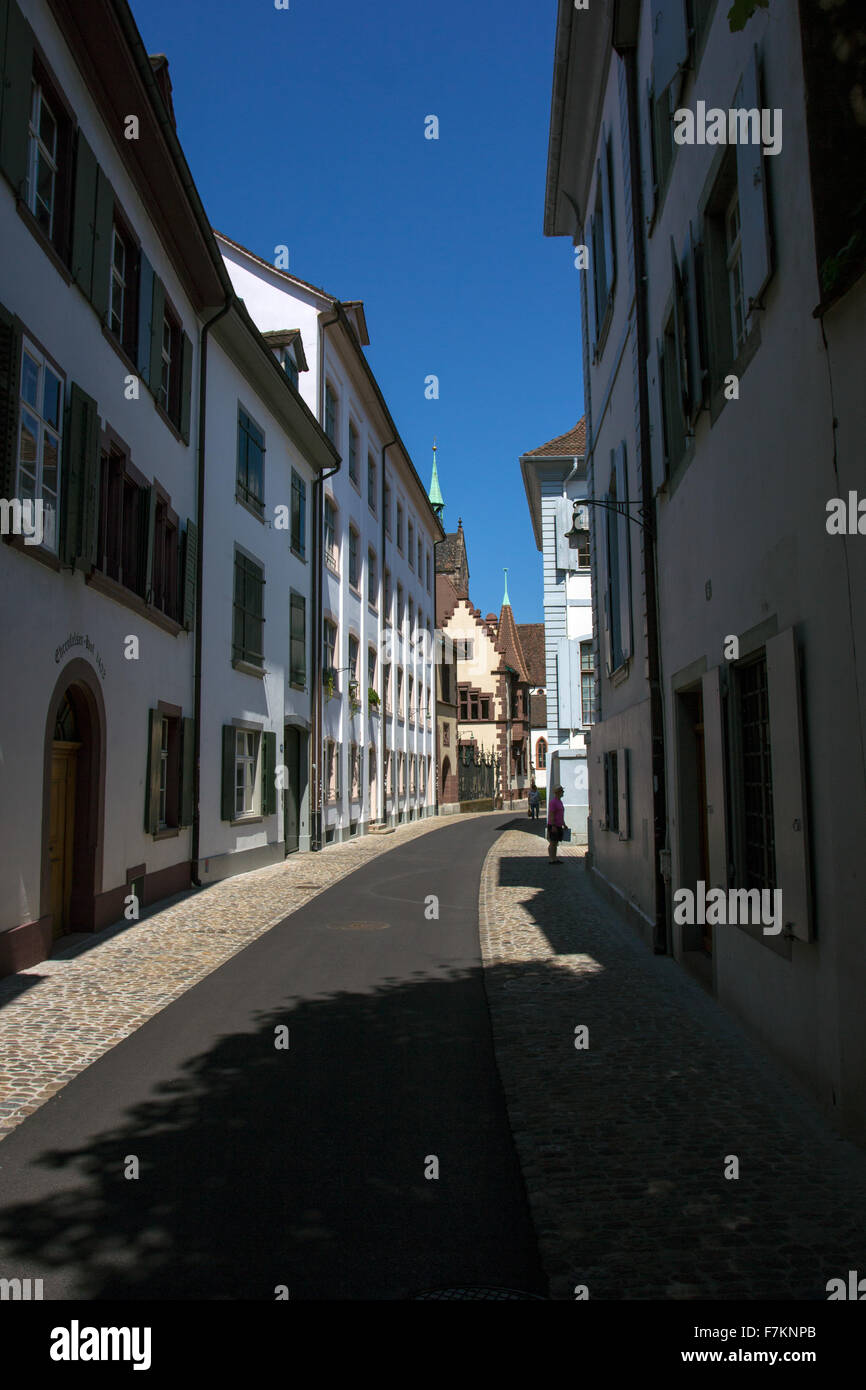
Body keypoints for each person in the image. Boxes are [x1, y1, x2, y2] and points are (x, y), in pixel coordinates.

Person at [546, 784, 565, 864]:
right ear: (558, 792)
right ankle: (551, 858)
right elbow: (552, 814)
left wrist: (564, 824)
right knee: (552, 843)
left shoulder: (559, 801)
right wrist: (553, 825)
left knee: (556, 842)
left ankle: (555, 858)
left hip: (559, 825)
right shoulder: (553, 802)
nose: (563, 792)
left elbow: (560, 814)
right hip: (553, 825)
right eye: (562, 791)